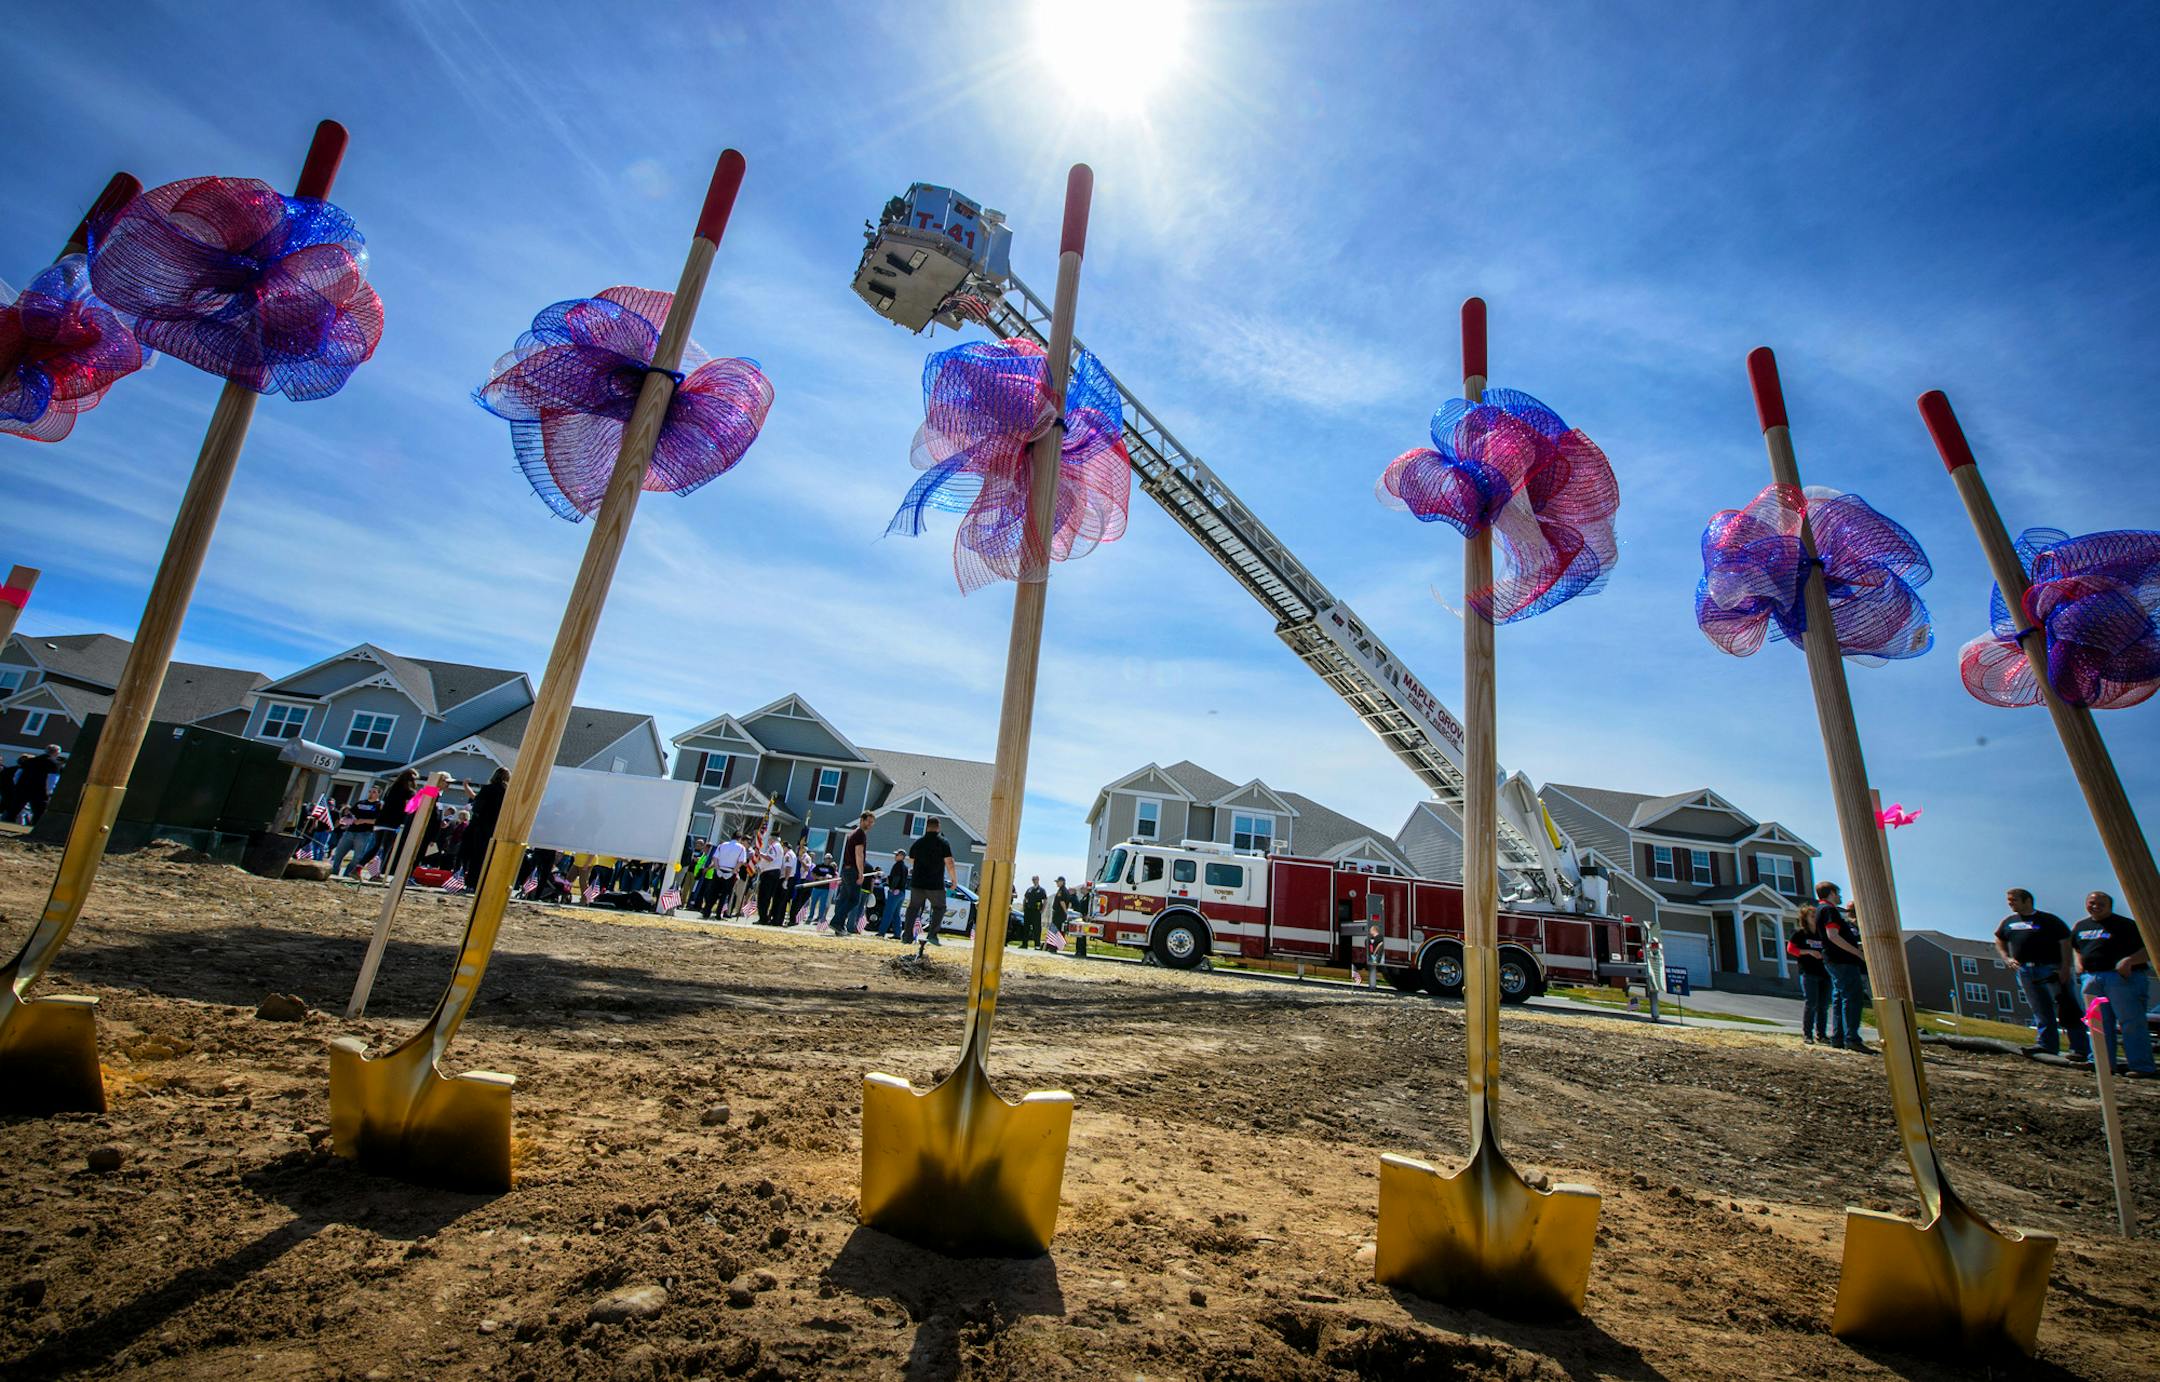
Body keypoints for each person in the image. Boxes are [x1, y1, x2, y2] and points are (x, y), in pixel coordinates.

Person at [1994, 888, 2090, 1060]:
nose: (2010, 904)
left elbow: (2065, 942)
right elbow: (1999, 939)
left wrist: (2065, 967)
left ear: (2027, 900)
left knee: (2067, 1009)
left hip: (2051, 969)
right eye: (2009, 901)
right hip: (2025, 970)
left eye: (2014, 900)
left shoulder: (2049, 920)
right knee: (2040, 1009)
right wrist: (2006, 957)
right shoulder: (2009, 922)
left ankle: (2080, 1049)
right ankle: (2047, 1045)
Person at [2072, 890, 2155, 1077]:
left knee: (2131, 1023)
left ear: (2110, 905)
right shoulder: (2081, 927)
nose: (2095, 906)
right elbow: (2077, 948)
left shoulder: (2126, 925)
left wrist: (2129, 961)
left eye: (2101, 903)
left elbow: (2150, 948)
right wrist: (2078, 963)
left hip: (2122, 979)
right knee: (2097, 1024)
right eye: (2091, 902)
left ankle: (2141, 1066)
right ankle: (2101, 1064)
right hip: (2092, 979)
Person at [1817, 881, 1871, 1053]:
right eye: (1838, 893)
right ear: (1831, 892)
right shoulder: (1829, 910)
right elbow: (1832, 936)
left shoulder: (1821, 910)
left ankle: (1838, 1038)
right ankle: (1852, 1038)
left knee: (1840, 997)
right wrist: (1856, 952)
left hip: (1834, 960)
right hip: (1842, 961)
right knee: (1852, 997)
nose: (1840, 896)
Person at [905, 820, 956, 949]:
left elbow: (911, 859)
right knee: (939, 908)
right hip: (935, 884)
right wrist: (954, 879)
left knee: (913, 908)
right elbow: (949, 862)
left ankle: (907, 936)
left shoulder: (918, 842)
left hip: (918, 882)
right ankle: (932, 935)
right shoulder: (943, 843)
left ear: (926, 827)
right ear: (938, 827)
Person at [1786, 906, 1830, 1044]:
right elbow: (1791, 949)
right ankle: (1807, 1034)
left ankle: (1821, 1034)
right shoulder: (1800, 933)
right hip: (1808, 972)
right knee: (1811, 1003)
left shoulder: (1822, 933)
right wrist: (1809, 952)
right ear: (1805, 918)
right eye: (1812, 916)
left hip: (1825, 973)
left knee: (1823, 1006)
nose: (1814, 918)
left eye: (1816, 916)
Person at [458, 768, 508, 886]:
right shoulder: (507, 791)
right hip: (497, 827)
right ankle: (485, 883)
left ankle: (471, 882)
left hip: (482, 826)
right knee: (490, 857)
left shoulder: (487, 789)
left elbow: (477, 806)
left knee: (476, 856)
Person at [834, 811, 874, 935]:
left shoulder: (852, 833)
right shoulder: (860, 834)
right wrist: (861, 873)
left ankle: (839, 926)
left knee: (844, 899)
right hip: (853, 871)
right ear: (862, 820)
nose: (870, 824)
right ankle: (836, 922)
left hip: (846, 870)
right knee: (854, 900)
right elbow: (859, 854)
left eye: (872, 822)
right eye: (869, 821)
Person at [330, 788, 382, 877]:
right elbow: (350, 813)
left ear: (378, 794)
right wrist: (347, 819)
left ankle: (348, 873)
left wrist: (363, 821)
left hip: (365, 833)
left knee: (358, 857)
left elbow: (378, 821)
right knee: (339, 853)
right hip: (350, 831)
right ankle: (334, 872)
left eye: (374, 792)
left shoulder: (379, 805)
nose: (371, 793)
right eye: (370, 791)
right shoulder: (360, 803)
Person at [15, 744, 63, 826]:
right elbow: (52, 779)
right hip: (40, 791)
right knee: (39, 812)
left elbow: (17, 775)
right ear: (56, 752)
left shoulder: (30, 761)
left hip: (24, 788)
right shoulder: (54, 764)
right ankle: (34, 827)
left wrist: (17, 785)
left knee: (15, 809)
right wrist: (49, 791)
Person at [756, 829, 788, 925]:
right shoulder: (779, 847)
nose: (768, 841)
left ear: (772, 839)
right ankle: (764, 917)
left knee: (763, 896)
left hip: (769, 874)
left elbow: (770, 858)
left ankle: (763, 918)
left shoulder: (774, 846)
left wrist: (760, 854)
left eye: (769, 839)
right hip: (773, 873)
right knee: (767, 896)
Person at [880, 849, 910, 938]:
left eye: (897, 855)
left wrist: (892, 888)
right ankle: (897, 934)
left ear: (902, 856)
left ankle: (881, 932)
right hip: (902, 892)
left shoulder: (897, 865)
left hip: (895, 891)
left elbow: (896, 878)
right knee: (896, 914)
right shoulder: (905, 867)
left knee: (888, 912)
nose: (895, 856)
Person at [1019, 876, 1047, 949]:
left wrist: (1042, 910)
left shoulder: (1041, 890)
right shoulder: (1029, 889)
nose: (1034, 881)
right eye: (1033, 880)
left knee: (1036, 928)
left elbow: (1045, 900)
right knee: (1026, 928)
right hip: (1028, 911)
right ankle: (1024, 944)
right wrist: (1024, 908)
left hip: (1036, 912)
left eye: (1035, 879)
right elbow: (1025, 899)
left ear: (1038, 880)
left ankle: (1037, 945)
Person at [1050, 877, 1077, 950]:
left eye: (1058, 882)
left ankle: (1053, 947)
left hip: (1059, 913)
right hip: (1061, 913)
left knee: (1056, 929)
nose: (1057, 883)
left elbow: (1062, 902)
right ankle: (1055, 946)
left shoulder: (1062, 890)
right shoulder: (1064, 890)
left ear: (1062, 882)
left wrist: (1066, 912)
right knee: (1058, 930)